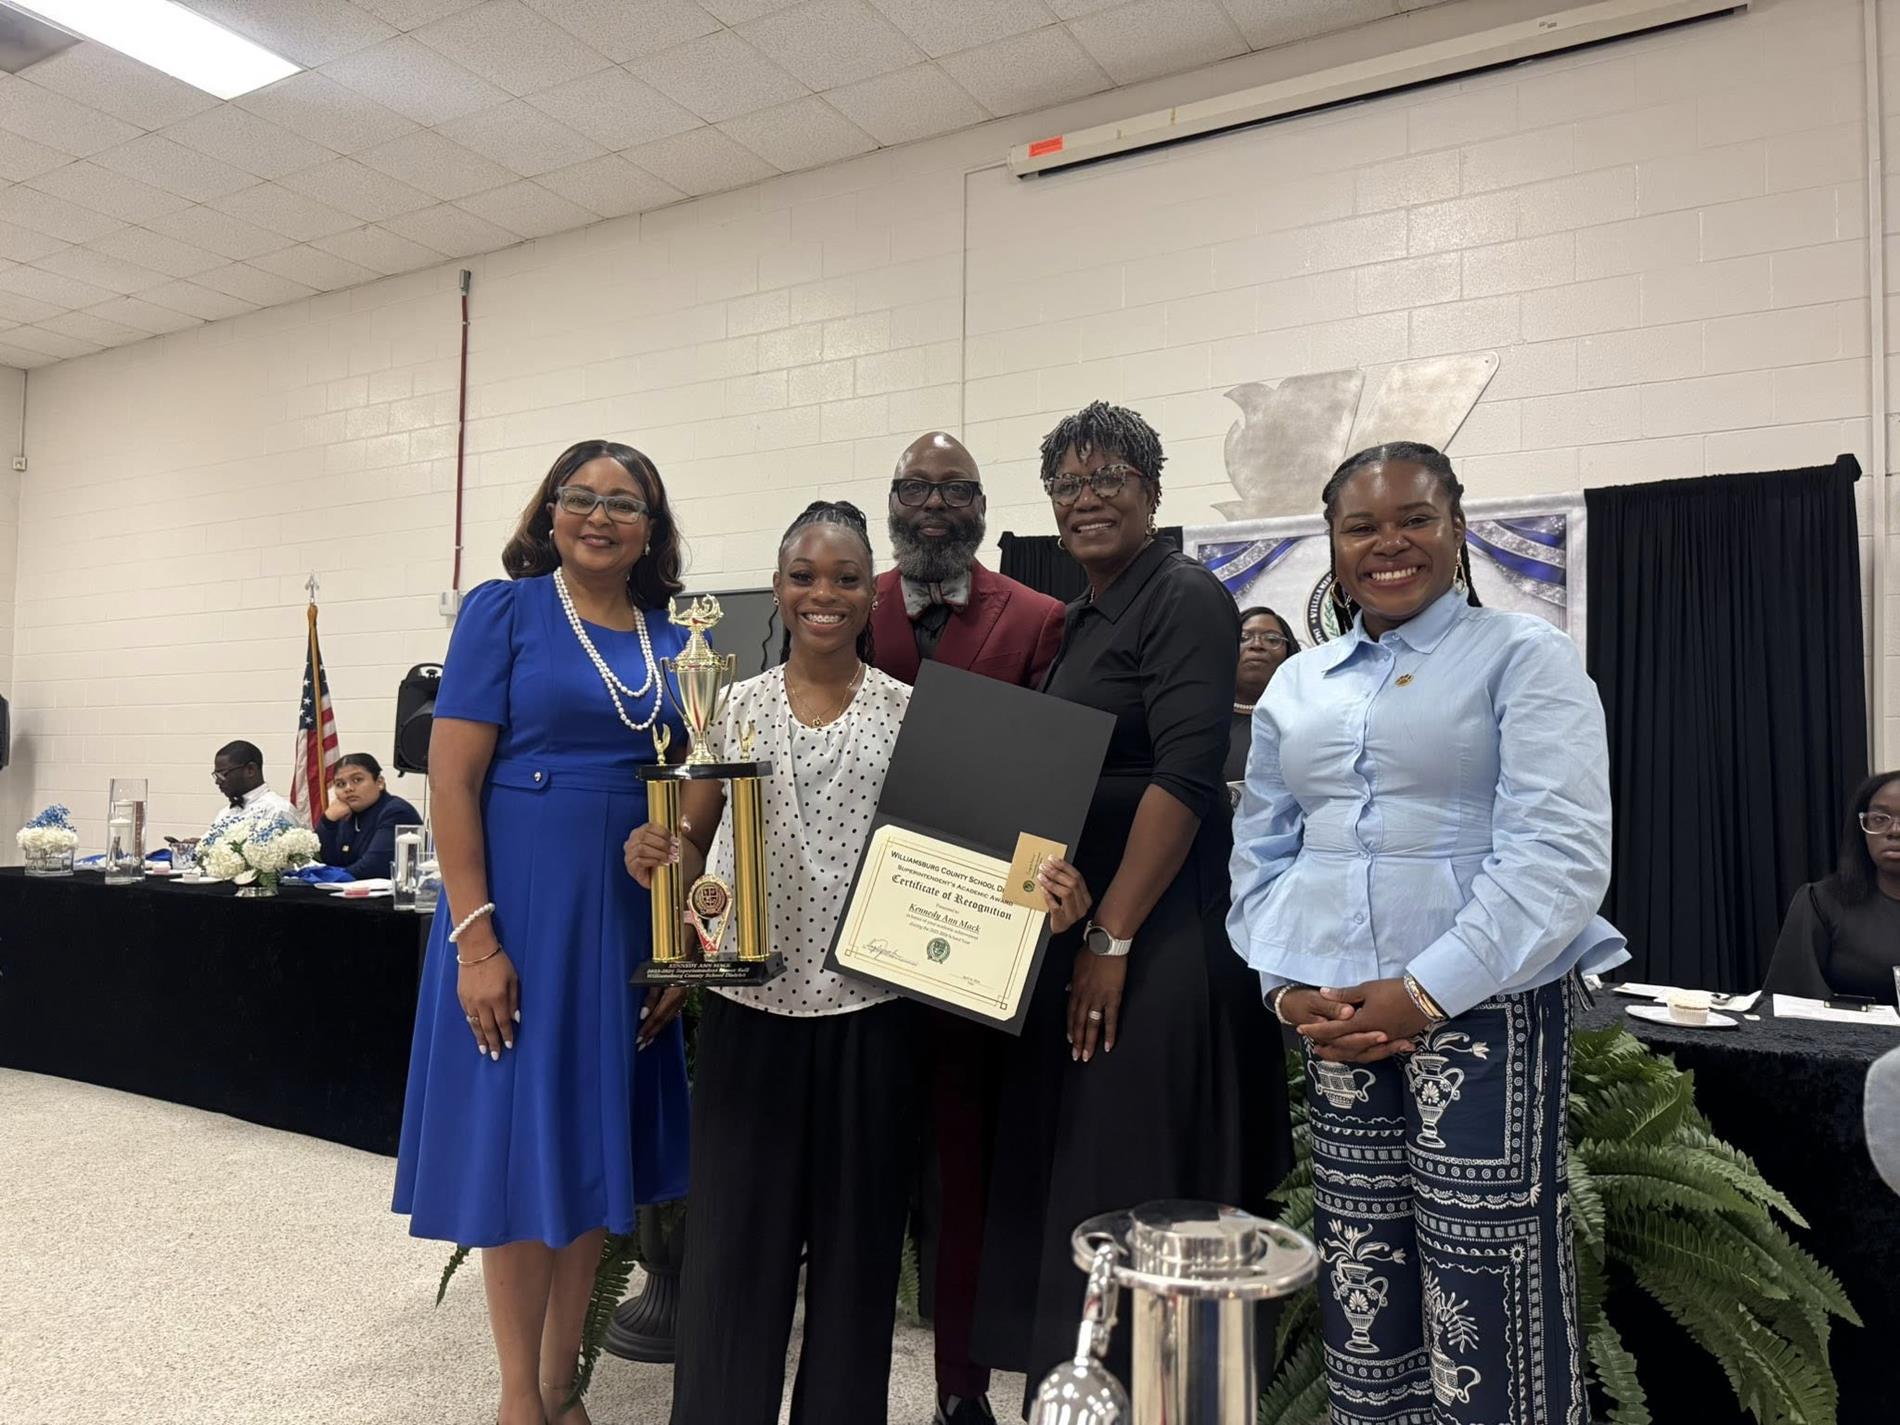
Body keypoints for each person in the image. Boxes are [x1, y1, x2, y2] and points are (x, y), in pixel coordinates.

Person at [628, 500, 1093, 1425]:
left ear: (870, 591)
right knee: (735, 1258)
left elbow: (983, 860)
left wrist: (1046, 891)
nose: (824, 594)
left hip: (873, 1017)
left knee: (857, 1259)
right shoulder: (731, 707)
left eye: (845, 576)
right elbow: (693, 841)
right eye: (805, 575)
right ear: (778, 587)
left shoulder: (919, 717)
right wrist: (656, 857)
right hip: (751, 1020)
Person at [1229, 441, 1627, 1424]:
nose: (1389, 543)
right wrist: (1281, 988)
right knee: (1363, 1273)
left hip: (1484, 1004)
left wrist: (1421, 990)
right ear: (1331, 544)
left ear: (1455, 528)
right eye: (1360, 526)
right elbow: (1261, 849)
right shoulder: (1298, 685)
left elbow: (1560, 854)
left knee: (1480, 1273)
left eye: (1414, 518)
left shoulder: (1521, 657)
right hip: (1330, 1011)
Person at [974, 401, 1290, 1404]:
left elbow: (1188, 778)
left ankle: (1159, 1398)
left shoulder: (1183, 594)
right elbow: (1051, 785)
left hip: (1161, 945)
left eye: (1109, 477)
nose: (1086, 498)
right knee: (1084, 1188)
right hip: (1085, 935)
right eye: (1067, 484)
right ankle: (1083, 1396)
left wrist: (1110, 936)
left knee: (1146, 1187)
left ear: (1152, 489)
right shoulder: (1074, 622)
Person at [392, 440, 693, 1425]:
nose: (599, 516)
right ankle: (520, 1399)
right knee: (525, 1158)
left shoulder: (673, 642)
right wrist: (477, 941)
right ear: (550, 511)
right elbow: (450, 782)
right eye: (581, 497)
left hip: (621, 922)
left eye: (624, 502)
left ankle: (565, 1388)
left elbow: (697, 803)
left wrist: (679, 942)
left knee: (588, 1158)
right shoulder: (505, 610)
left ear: (652, 528)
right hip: (520, 910)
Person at [872, 429, 1066, 1425]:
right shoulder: (841, 604)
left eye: (955, 488)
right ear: (892, 500)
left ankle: (961, 1389)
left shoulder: (1037, 618)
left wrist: (1036, 903)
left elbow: (1054, 785)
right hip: (851, 949)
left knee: (965, 1180)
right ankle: (845, 1378)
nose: (934, 501)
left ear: (983, 509)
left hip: (974, 949)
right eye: (917, 486)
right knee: (861, 1171)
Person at [1763, 770, 1900, 1001]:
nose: (1895, 831)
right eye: (1879, 819)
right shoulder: (1821, 902)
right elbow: (1792, 1001)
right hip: (1841, 1036)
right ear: (1862, 828)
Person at [1224, 605, 1299, 787]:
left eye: (1272, 639)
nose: (1257, 645)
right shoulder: (1200, 718)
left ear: (1289, 654)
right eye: (1243, 638)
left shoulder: (1305, 719)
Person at [316, 753, 420, 880]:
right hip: (348, 894)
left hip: (392, 897)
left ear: (379, 782)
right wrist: (328, 821)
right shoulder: (345, 815)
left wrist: (326, 876)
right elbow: (325, 861)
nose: (348, 788)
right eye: (340, 784)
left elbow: (372, 868)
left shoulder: (397, 812)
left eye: (357, 780)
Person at [207, 740, 295, 833]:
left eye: (222, 774)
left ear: (250, 770)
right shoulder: (224, 814)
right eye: (216, 775)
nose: (218, 781)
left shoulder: (278, 811)